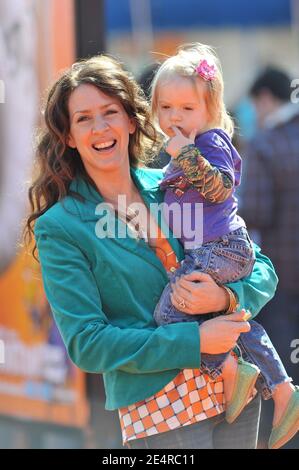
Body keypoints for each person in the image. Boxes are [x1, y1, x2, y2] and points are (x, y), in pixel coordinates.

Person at [25, 54, 278, 450]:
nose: (101, 127)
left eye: (110, 112)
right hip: (161, 411)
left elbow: (260, 267)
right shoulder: (61, 226)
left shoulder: (175, 181)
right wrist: (193, 341)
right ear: (69, 136)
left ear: (131, 120)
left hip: (235, 395)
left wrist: (226, 296)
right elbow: (87, 343)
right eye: (84, 118)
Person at [150, 43, 299, 449]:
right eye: (166, 108)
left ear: (210, 109)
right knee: (233, 317)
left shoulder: (210, 141)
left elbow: (219, 188)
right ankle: (281, 385)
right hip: (212, 251)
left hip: (222, 248)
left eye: (186, 108)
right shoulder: (176, 153)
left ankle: (231, 370)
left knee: (170, 311)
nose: (175, 118)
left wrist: (185, 154)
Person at [240, 66, 299, 448]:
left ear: (264, 99)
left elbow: (253, 214)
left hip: (283, 280)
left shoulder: (265, 144)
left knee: (288, 372)